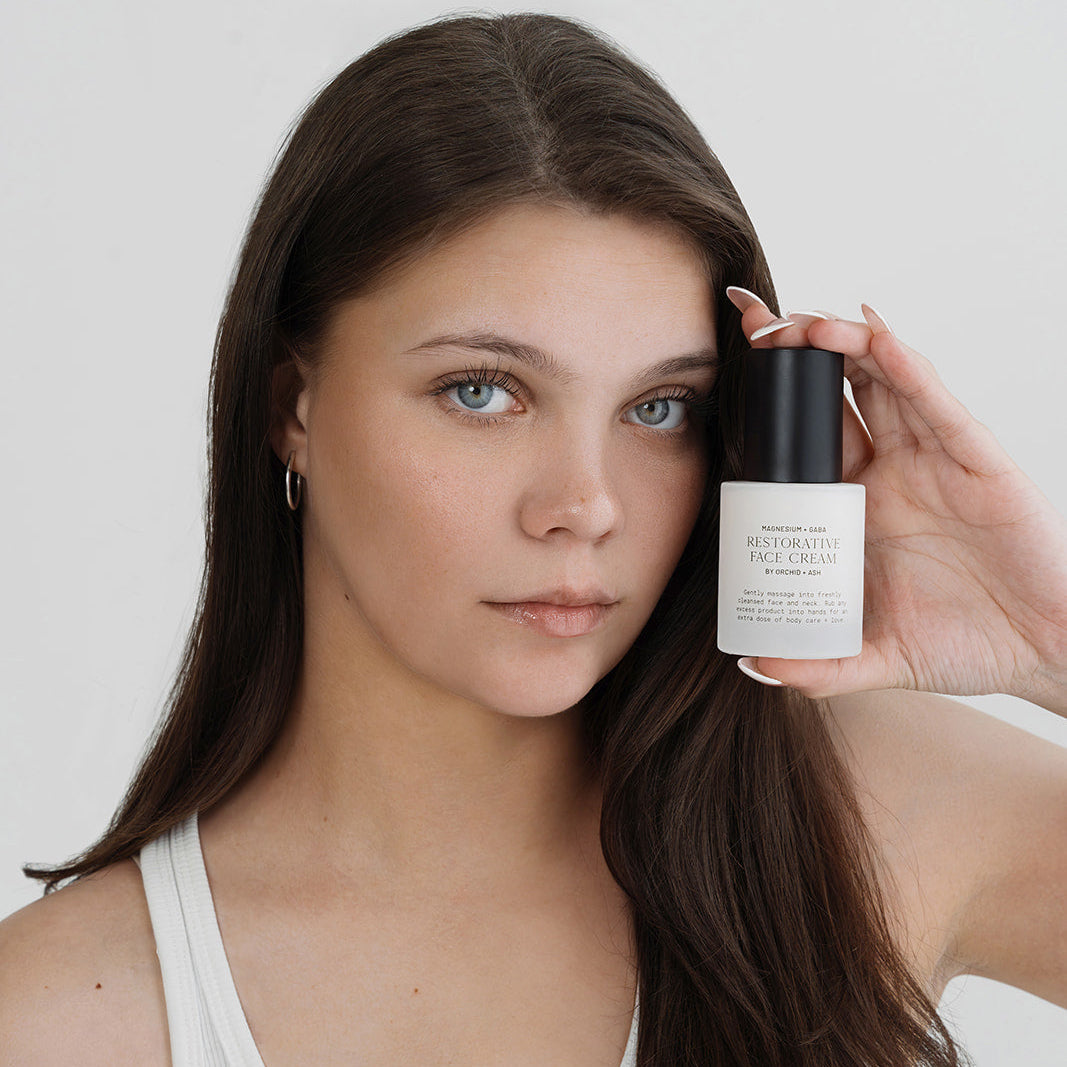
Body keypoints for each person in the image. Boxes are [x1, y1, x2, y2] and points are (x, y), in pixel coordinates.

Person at [1, 11, 1065, 1065]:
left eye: (658, 408)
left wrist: (1047, 636)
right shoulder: (60, 1011)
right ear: (294, 406)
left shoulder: (870, 812)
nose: (584, 503)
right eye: (482, 390)